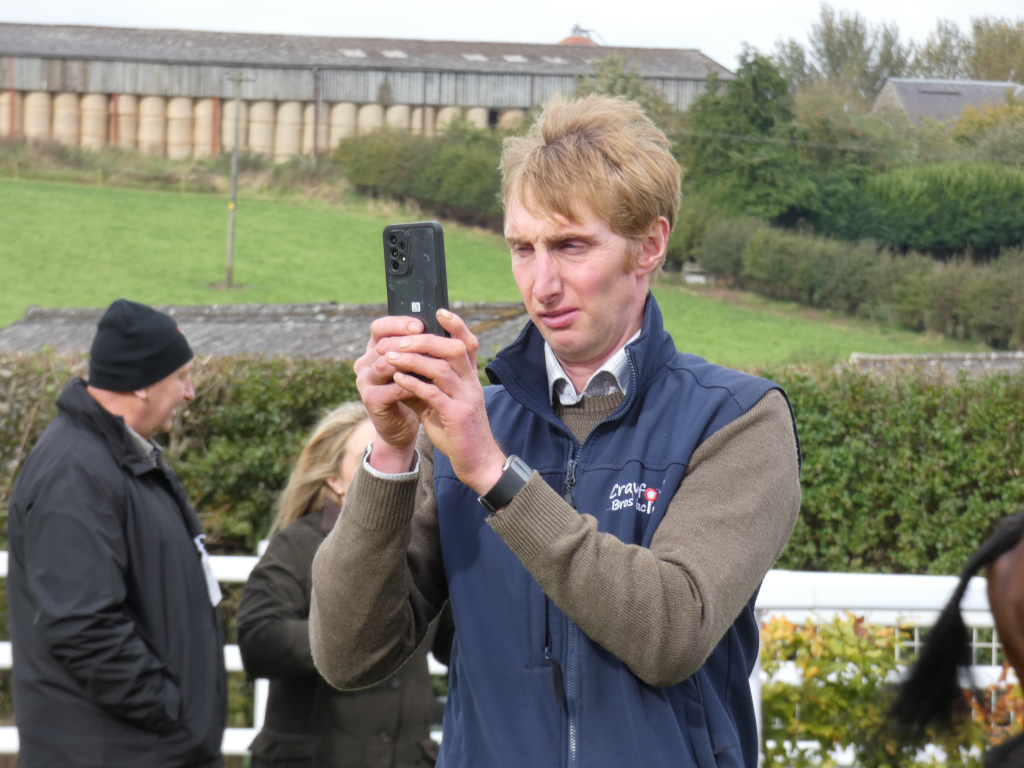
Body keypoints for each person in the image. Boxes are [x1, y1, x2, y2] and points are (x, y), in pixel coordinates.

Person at [309, 94, 802, 768]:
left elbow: (670, 632)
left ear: (649, 245)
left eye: (571, 245)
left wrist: (493, 472)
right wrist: (391, 449)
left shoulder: (738, 419)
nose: (541, 285)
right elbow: (348, 654)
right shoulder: (460, 428)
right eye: (522, 247)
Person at [6, 298, 226, 768]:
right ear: (144, 385)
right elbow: (82, 624)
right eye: (181, 376)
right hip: (117, 751)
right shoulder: (74, 473)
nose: (189, 392)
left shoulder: (115, 461)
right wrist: (169, 711)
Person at [237, 402, 454, 768]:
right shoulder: (297, 544)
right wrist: (352, 634)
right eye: (369, 455)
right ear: (332, 480)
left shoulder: (424, 549)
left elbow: (455, 644)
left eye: (404, 453)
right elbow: (259, 640)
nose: (390, 465)